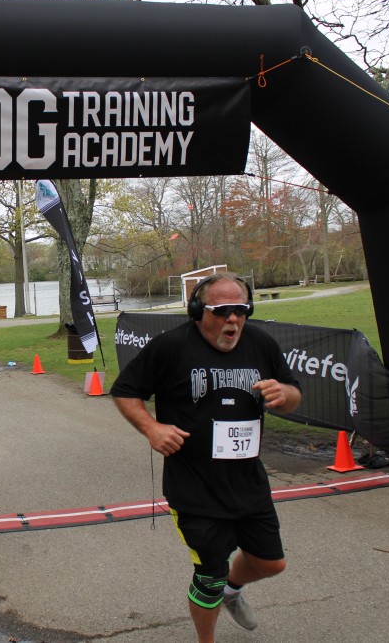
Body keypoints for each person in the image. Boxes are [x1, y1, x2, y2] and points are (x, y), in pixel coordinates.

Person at [110, 273, 301, 643]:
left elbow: (293, 392)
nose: (233, 319)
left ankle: (232, 590)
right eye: (222, 311)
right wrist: (152, 428)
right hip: (193, 486)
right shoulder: (171, 347)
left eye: (241, 310)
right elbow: (125, 391)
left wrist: (285, 394)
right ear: (198, 310)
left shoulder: (260, 343)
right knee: (210, 576)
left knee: (271, 563)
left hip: (248, 482)